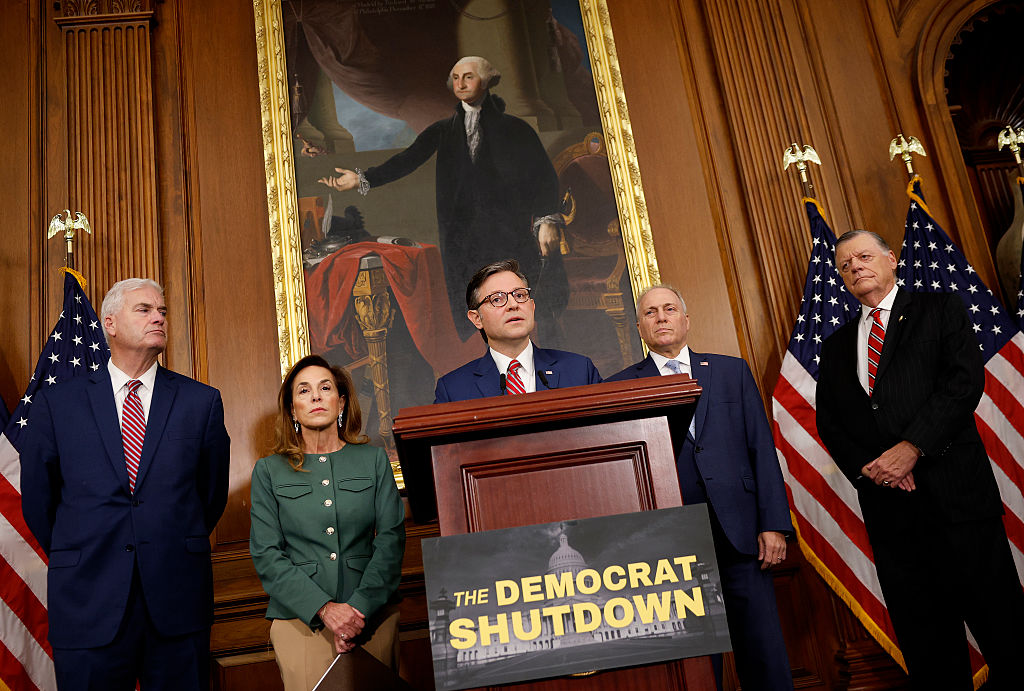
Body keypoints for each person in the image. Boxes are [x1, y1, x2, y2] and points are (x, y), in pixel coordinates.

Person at [816, 230, 1024, 690]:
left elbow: (963, 383)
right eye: (845, 264)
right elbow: (831, 423)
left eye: (865, 256)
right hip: (893, 515)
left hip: (957, 501)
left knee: (1004, 631)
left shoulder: (939, 309)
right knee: (929, 647)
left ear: (891, 260)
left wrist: (911, 449)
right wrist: (877, 469)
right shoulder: (833, 347)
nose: (855, 267)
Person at [20, 278, 231, 691]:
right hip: (87, 601)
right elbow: (39, 504)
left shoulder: (200, 402)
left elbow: (210, 497)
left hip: (176, 603)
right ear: (110, 324)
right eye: (145, 309)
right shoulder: (57, 404)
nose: (158, 317)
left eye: (162, 311)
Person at [606, 285, 793, 691]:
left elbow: (761, 447)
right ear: (639, 326)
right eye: (651, 312)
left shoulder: (730, 370)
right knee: (696, 665)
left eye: (669, 308)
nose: (661, 317)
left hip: (743, 534)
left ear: (685, 319)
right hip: (670, 543)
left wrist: (773, 523)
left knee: (763, 652)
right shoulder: (620, 385)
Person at [319, 56, 568, 343]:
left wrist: (547, 220)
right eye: (456, 78)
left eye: (469, 77)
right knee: (478, 308)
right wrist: (362, 179)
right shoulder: (444, 130)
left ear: (486, 81)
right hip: (464, 239)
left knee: (517, 304)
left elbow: (543, 176)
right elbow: (407, 159)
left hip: (508, 234)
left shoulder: (516, 130)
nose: (460, 84)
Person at [250, 354, 406, 691]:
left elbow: (391, 540)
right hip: (301, 622)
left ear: (341, 402)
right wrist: (324, 609)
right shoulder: (269, 471)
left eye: (325, 388)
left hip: (372, 618)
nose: (316, 396)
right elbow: (266, 554)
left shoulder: (374, 460)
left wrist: (357, 610)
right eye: (304, 391)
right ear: (292, 410)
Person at [434, 259, 600, 402]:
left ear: (532, 307)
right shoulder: (453, 390)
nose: (513, 305)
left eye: (520, 296)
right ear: (476, 318)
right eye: (497, 299)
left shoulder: (579, 370)